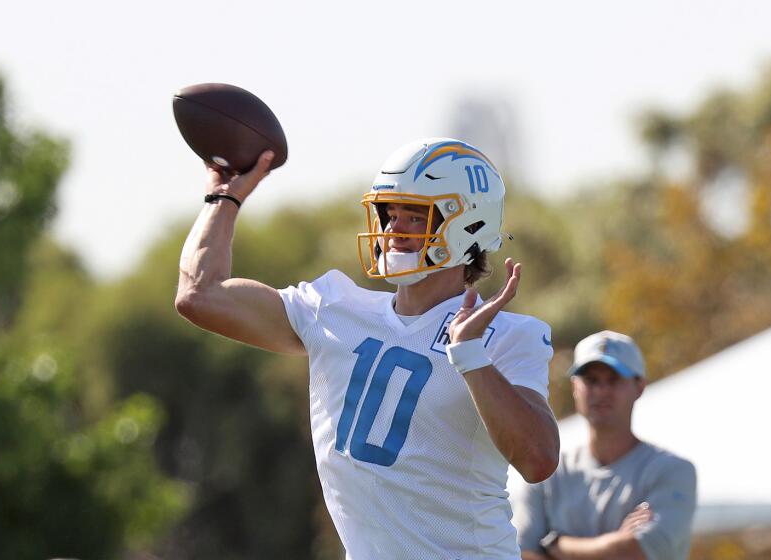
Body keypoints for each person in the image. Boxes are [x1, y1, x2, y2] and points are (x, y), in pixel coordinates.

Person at [175, 138, 560, 558]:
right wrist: (224, 196)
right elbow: (199, 295)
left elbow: (537, 460)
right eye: (389, 213)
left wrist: (469, 355)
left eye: (415, 215)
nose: (393, 229)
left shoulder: (505, 334)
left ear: (468, 223)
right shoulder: (335, 308)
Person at [510, 331, 697, 560]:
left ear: (639, 387)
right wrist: (613, 544)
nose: (601, 391)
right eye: (591, 380)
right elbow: (522, 554)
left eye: (614, 379)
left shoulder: (672, 470)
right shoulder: (546, 473)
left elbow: (634, 552)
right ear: (574, 387)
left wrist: (557, 546)